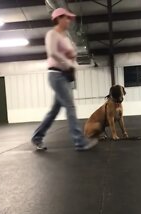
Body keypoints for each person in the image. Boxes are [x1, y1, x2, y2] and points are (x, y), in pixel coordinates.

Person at [31, 8, 98, 151]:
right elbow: (52, 53)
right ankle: (79, 142)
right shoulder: (52, 34)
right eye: (66, 18)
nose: (69, 21)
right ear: (59, 18)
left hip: (65, 76)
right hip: (56, 75)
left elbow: (72, 55)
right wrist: (68, 63)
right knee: (70, 106)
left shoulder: (66, 38)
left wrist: (71, 57)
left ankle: (37, 137)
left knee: (54, 111)